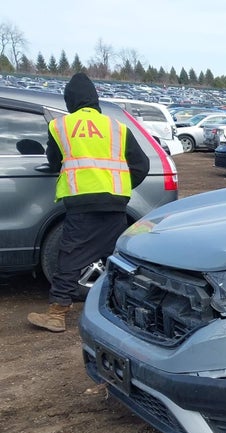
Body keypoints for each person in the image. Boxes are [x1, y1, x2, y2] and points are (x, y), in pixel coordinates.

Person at [27, 72, 150, 333]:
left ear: (70, 101)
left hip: (81, 205)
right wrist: (121, 189)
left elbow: (53, 161)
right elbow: (141, 165)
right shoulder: (117, 127)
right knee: (116, 258)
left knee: (70, 256)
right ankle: (128, 310)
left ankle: (57, 313)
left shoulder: (61, 126)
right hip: (115, 204)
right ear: (95, 100)